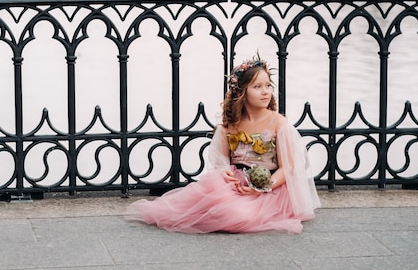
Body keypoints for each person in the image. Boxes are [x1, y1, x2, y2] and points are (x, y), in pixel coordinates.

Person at [126, 55, 321, 233]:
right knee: (210, 202)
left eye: (268, 85)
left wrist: (261, 187)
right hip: (238, 181)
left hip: (271, 186)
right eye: (257, 87)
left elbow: (288, 168)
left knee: (238, 216)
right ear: (242, 93)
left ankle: (237, 212)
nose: (265, 92)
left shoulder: (279, 123)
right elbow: (221, 162)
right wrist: (224, 172)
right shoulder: (229, 127)